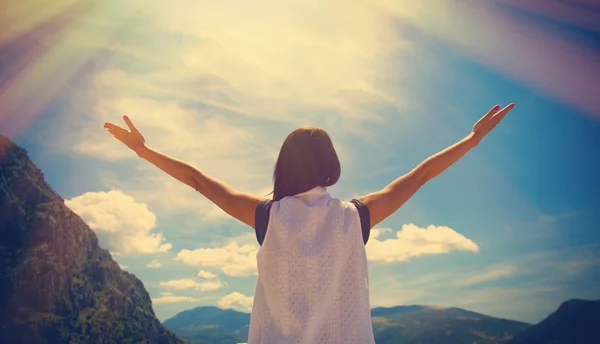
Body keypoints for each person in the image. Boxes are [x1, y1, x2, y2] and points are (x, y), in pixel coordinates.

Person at [103, 103, 515, 344]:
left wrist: (145, 151)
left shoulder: (267, 216)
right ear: (331, 167)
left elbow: (199, 182)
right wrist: (472, 139)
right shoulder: (355, 217)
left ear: (282, 165)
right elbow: (420, 175)